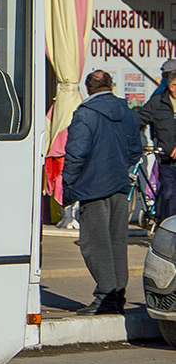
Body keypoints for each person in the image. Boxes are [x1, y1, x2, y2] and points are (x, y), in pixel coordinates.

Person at [62, 70, 144, 315]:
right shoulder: (128, 113)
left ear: (88, 88)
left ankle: (106, 296)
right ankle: (117, 295)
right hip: (120, 186)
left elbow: (77, 153)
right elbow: (135, 151)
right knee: (117, 243)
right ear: (111, 86)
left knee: (95, 244)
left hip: (93, 187)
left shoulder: (85, 114)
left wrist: (68, 185)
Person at [139, 59, 176, 223]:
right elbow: (139, 120)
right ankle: (167, 235)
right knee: (169, 195)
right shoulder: (158, 102)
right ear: (171, 86)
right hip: (167, 160)